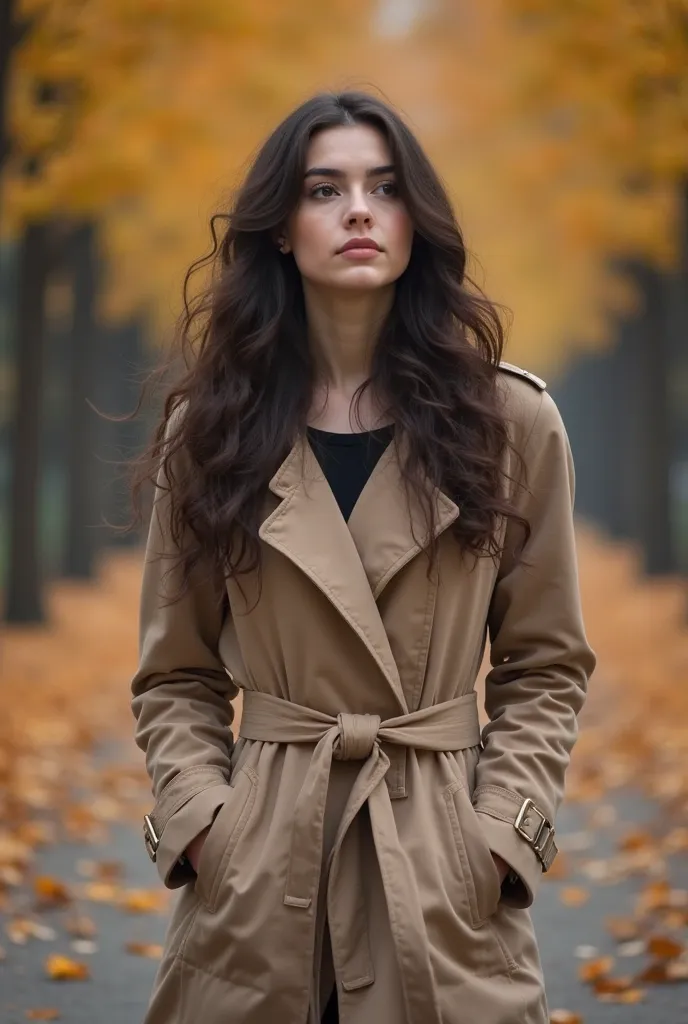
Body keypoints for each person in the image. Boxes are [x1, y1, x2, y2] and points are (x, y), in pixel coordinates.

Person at [130, 90, 596, 1024]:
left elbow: (545, 666)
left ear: (416, 224)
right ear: (278, 228)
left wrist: (501, 836)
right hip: (262, 864)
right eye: (324, 188)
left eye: (385, 188)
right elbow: (173, 674)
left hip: (438, 863)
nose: (357, 210)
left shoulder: (511, 423)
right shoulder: (211, 430)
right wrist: (204, 828)